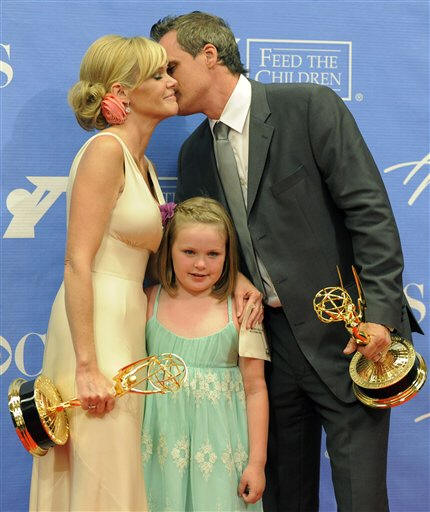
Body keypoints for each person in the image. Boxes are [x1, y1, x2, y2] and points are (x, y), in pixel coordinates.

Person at [150, 12, 423, 512]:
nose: (166, 81)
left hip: (351, 342)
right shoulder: (193, 155)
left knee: (362, 501)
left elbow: (371, 215)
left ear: (209, 55)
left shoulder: (310, 107)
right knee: (281, 503)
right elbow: (212, 249)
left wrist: (381, 317)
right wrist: (236, 278)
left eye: (172, 66)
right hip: (269, 354)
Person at [29, 35, 178, 511]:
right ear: (122, 92)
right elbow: (78, 261)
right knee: (102, 465)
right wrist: (87, 366)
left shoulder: (143, 164)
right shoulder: (105, 151)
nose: (172, 82)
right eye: (159, 75)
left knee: (118, 465)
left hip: (126, 321)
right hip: (94, 326)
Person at [141, 197, 270, 511]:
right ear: (169, 250)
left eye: (213, 254)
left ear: (228, 255)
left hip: (222, 456)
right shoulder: (148, 302)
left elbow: (255, 388)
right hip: (159, 453)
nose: (201, 264)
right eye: (189, 252)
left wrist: (257, 463)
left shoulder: (243, 312)